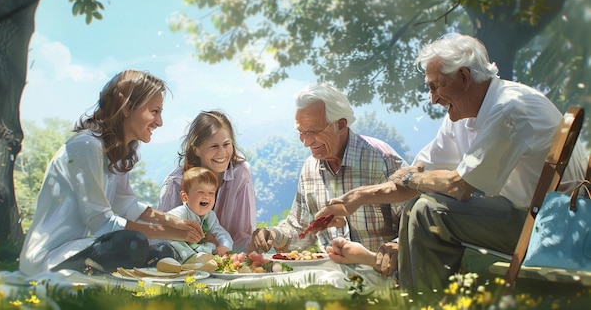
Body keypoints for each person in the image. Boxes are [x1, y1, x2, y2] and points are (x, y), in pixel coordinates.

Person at [316, 33, 588, 292]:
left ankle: (422, 303)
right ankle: (422, 298)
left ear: (464, 77)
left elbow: (457, 186)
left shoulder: (510, 108)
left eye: (435, 86)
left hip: (551, 227)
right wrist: (355, 198)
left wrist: (415, 179)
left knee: (428, 211)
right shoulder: (462, 116)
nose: (432, 98)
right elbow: (419, 176)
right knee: (421, 206)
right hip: (521, 215)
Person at [19, 69, 204, 276]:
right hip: (51, 256)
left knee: (162, 251)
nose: (159, 122)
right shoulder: (86, 146)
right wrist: (174, 233)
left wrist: (173, 222)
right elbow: (102, 222)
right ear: (127, 108)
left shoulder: (117, 151)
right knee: (134, 243)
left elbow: (126, 204)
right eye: (154, 111)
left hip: (81, 247)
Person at [247, 83, 407, 254]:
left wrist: (395, 247)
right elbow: (300, 230)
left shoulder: (382, 160)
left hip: (378, 271)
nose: (306, 142)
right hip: (329, 272)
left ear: (340, 125)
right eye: (301, 132)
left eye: (314, 131)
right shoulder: (309, 168)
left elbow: (414, 224)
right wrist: (273, 234)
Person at [158, 110, 256, 251]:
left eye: (226, 144)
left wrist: (221, 246)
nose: (222, 153)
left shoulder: (241, 174)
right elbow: (159, 238)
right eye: (214, 146)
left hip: (226, 261)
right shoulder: (175, 183)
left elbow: (243, 236)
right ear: (196, 149)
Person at [152, 167, 233, 262]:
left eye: (211, 193)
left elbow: (221, 233)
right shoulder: (181, 212)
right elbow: (166, 224)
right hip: (174, 253)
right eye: (201, 192)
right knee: (169, 246)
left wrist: (224, 246)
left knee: (211, 248)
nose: (206, 196)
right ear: (185, 197)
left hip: (196, 254)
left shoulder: (210, 216)